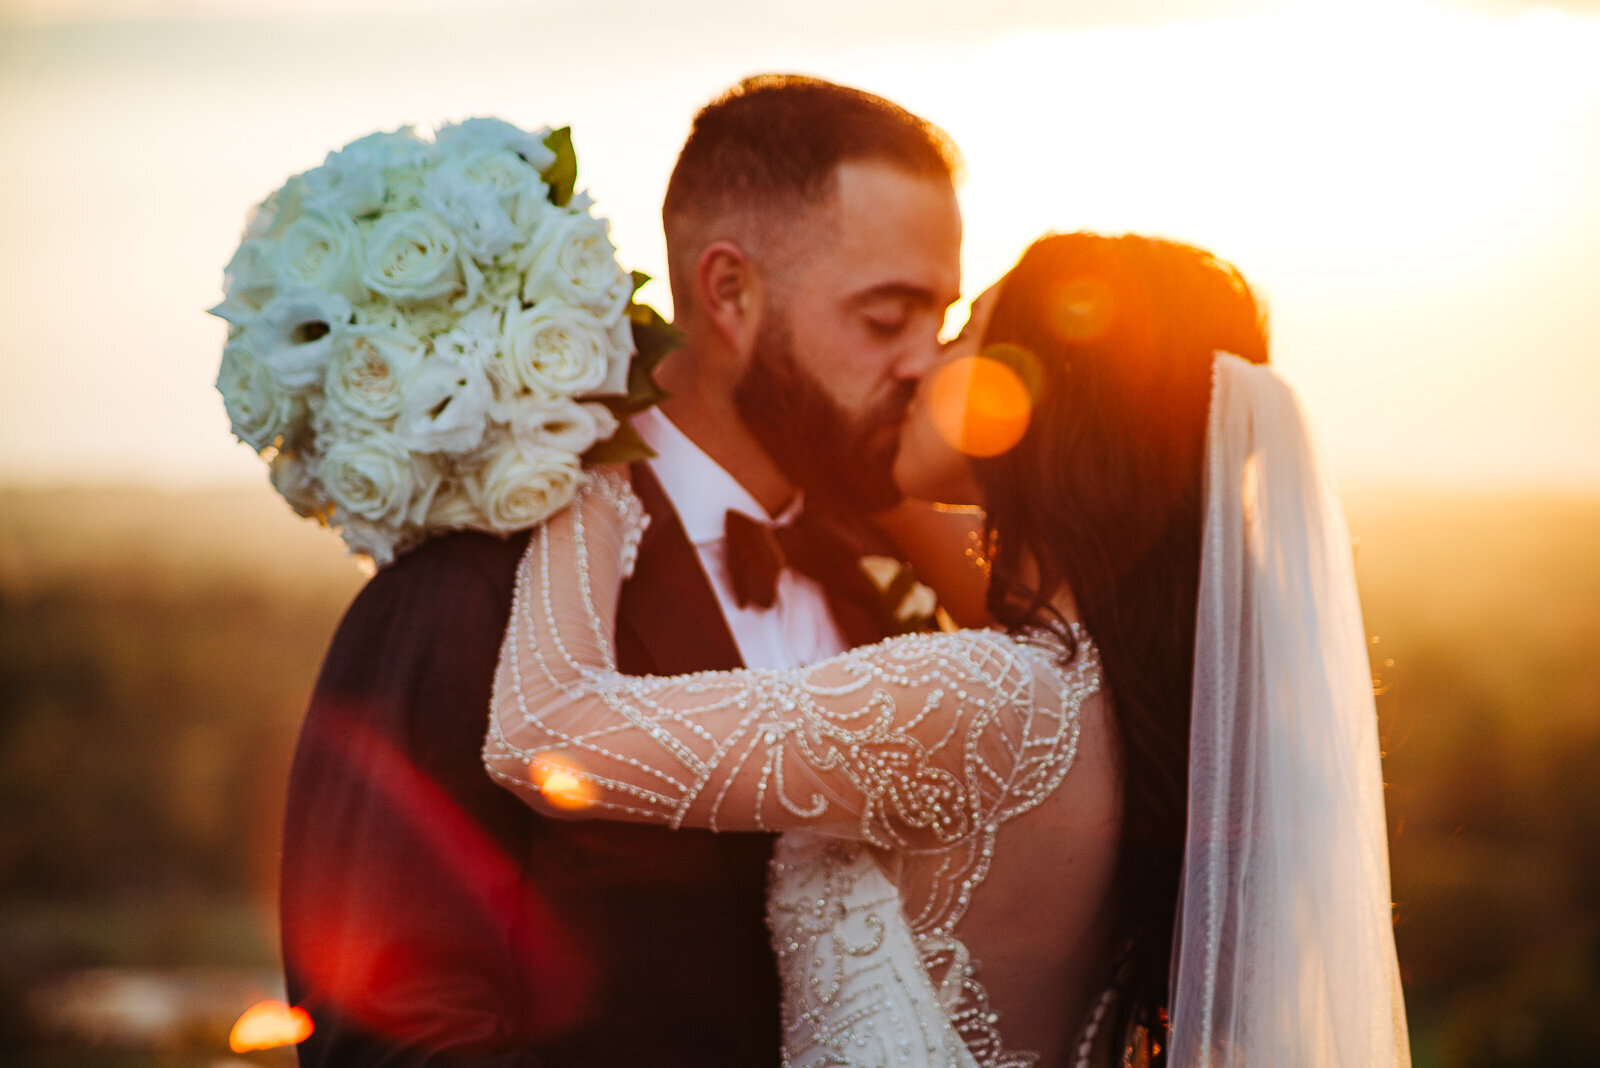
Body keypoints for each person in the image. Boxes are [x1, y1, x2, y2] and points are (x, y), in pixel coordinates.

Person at [485, 233, 1412, 1066]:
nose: (927, 362)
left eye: (968, 332)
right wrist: (861, 470)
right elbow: (1028, 591)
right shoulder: (1153, 691)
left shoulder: (973, 701)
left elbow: (540, 736)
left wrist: (594, 451)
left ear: (1042, 403)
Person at [279, 75, 961, 1066]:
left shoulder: (884, 607)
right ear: (729, 291)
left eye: (940, 316)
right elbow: (390, 1033)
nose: (924, 362)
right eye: (886, 316)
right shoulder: (476, 585)